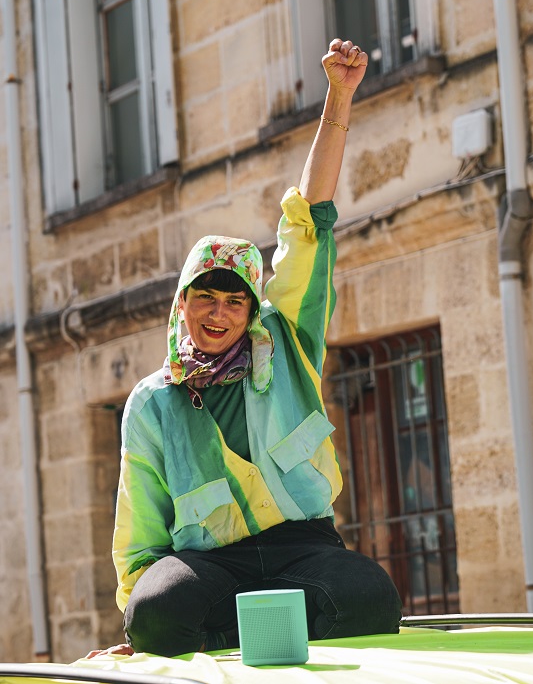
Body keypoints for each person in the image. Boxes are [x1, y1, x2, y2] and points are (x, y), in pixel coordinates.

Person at [88, 38, 402, 660]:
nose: (220, 314)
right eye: (206, 298)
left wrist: (338, 98)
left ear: (252, 311)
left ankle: (245, 636)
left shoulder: (289, 343)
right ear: (182, 304)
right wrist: (141, 625)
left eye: (236, 303)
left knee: (369, 594)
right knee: (156, 612)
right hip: (210, 568)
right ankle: (230, 630)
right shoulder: (152, 404)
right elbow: (140, 526)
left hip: (303, 551)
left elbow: (308, 223)